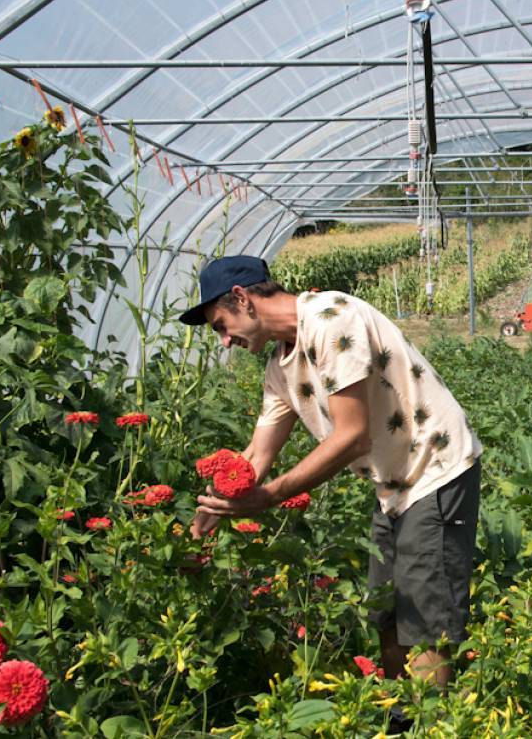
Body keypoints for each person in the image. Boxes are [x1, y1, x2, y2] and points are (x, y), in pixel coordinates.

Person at [180, 255, 483, 689]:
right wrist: (196, 533)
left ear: (243, 299)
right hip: (392, 484)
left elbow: (353, 437)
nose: (224, 341)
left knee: (423, 619)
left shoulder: (330, 319)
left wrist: (270, 496)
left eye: (220, 325)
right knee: (385, 612)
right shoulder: (279, 368)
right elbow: (255, 456)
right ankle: (401, 715)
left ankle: (433, 720)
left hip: (434, 468)